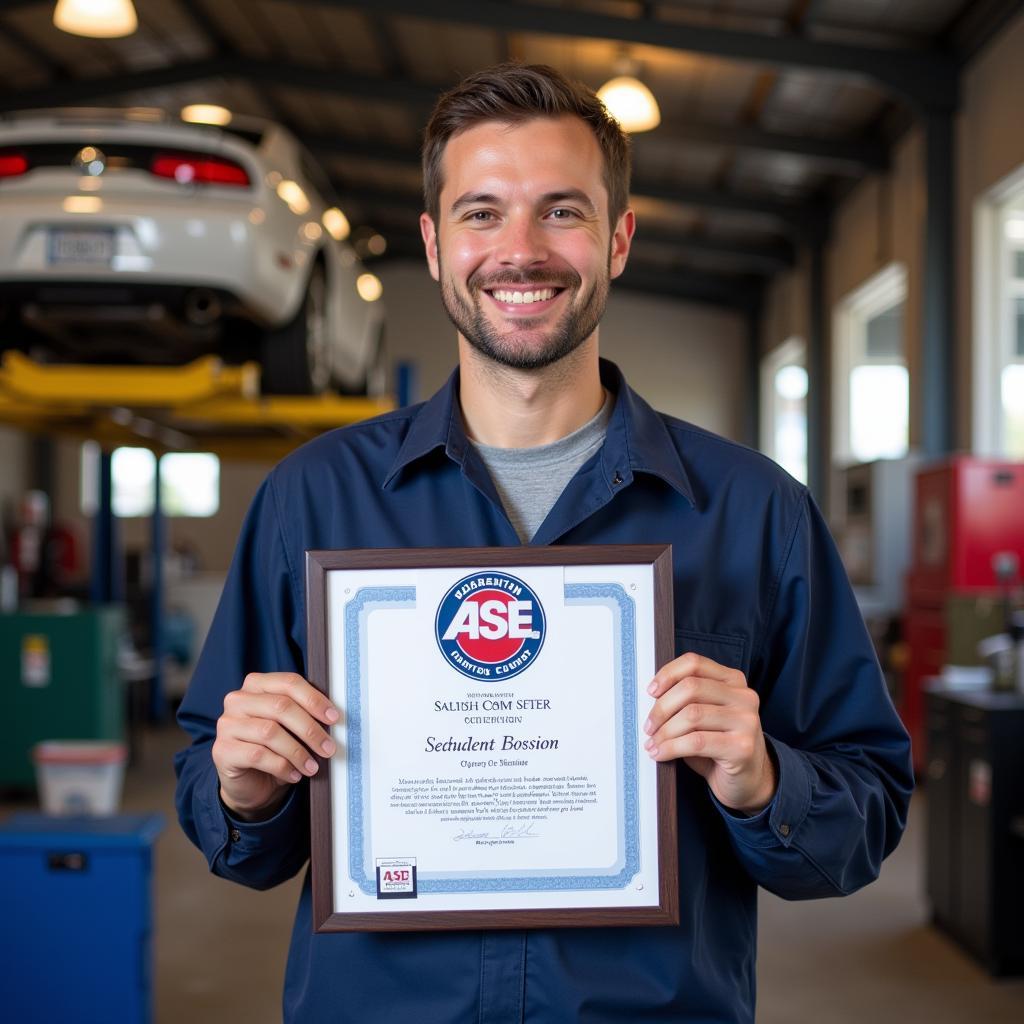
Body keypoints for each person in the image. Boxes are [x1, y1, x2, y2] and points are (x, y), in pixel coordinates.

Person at [175, 63, 913, 1023]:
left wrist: (762, 777)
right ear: (436, 246)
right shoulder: (312, 501)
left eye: (560, 211)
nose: (519, 251)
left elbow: (865, 816)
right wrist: (243, 789)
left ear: (618, 240)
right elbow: (228, 820)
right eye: (482, 214)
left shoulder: (754, 510)